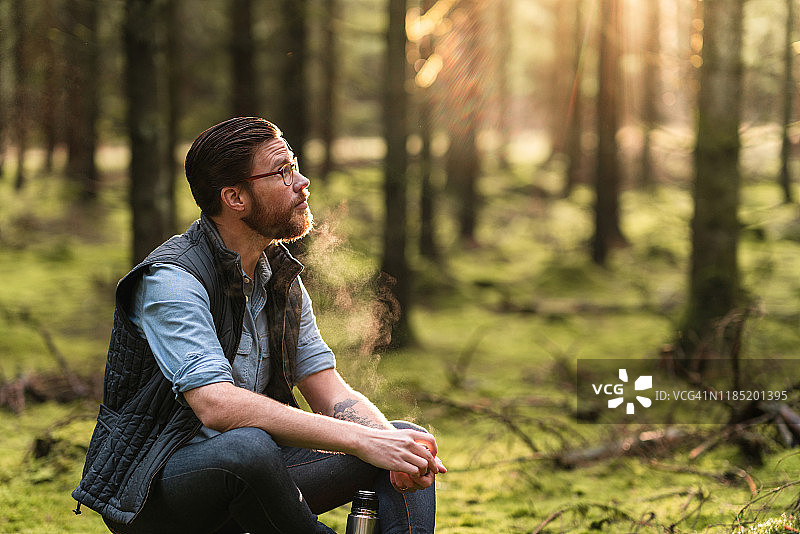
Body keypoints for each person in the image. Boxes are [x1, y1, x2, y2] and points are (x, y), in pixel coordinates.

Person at [72, 117, 445, 534]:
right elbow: (217, 405)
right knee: (248, 448)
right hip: (157, 491)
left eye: (295, 165)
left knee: (407, 439)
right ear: (235, 197)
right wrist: (363, 441)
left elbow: (330, 390)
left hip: (260, 472)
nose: (302, 182)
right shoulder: (171, 280)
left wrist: (388, 444)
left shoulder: (281, 277)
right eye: (283, 171)